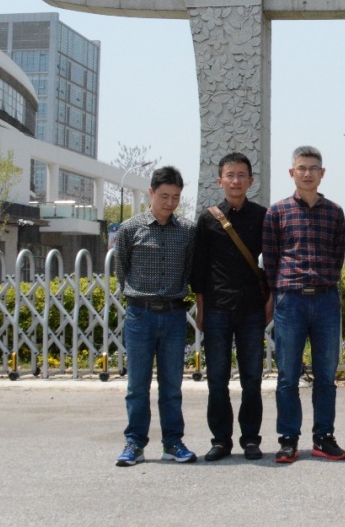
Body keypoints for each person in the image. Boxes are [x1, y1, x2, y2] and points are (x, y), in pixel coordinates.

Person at [263, 146, 345, 463]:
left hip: (325, 299)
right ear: (292, 173)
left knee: (326, 375)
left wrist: (325, 281)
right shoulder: (277, 212)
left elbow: (338, 255)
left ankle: (324, 437)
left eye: (313, 168)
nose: (307, 173)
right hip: (291, 300)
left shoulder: (335, 212)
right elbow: (271, 259)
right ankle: (288, 439)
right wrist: (278, 293)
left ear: (322, 173)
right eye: (302, 168)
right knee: (287, 375)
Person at [114, 166, 197, 467]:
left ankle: (173, 442)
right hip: (140, 315)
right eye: (164, 196)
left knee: (172, 386)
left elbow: (190, 270)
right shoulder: (129, 229)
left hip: (174, 316)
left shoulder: (187, 231)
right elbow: (121, 270)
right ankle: (134, 444)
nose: (170, 203)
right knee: (137, 385)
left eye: (175, 197)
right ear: (151, 192)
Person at [191, 152, 269, 462]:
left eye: (241, 176)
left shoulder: (263, 217)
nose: (235, 181)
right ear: (220, 181)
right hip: (217, 309)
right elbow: (198, 269)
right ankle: (221, 440)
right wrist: (201, 308)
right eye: (230, 175)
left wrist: (269, 303)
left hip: (252, 309)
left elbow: (272, 264)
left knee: (252, 379)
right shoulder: (207, 219)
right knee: (217, 379)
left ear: (251, 181)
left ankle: (250, 439)